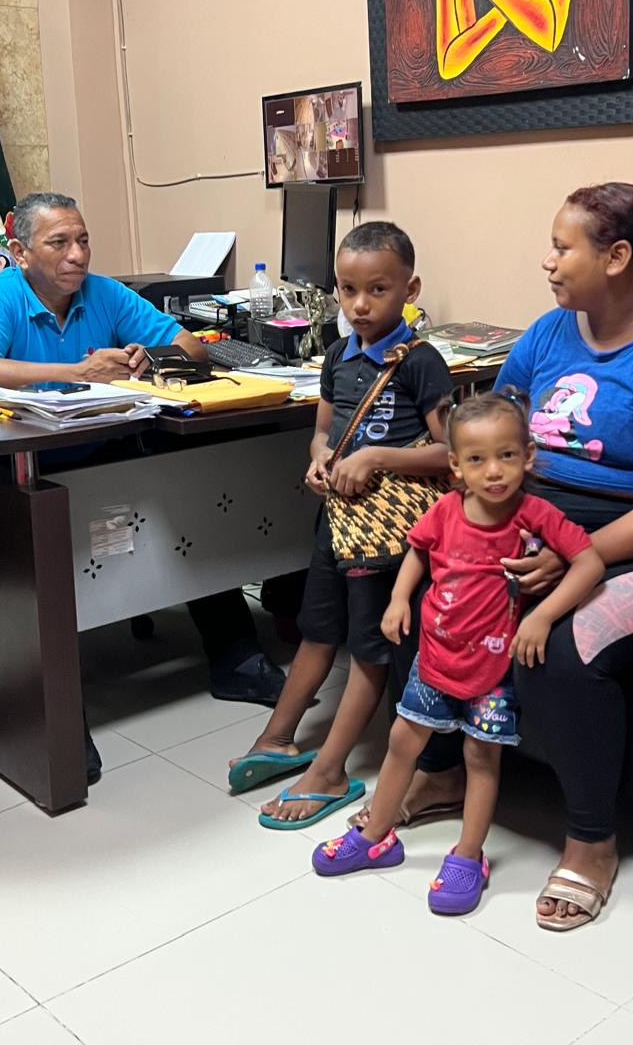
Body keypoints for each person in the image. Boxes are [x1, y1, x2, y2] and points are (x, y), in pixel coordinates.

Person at [385, 182, 633, 930]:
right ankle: (442, 773)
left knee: (564, 645)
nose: (547, 261)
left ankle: (590, 842)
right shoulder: (551, 332)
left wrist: (578, 556)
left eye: (562, 247)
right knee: (429, 601)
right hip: (547, 526)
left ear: (616, 257)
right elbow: (493, 435)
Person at [0, 192, 286, 779]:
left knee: (186, 497)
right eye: (59, 243)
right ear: (20, 252)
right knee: (42, 543)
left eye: (82, 240)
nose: (77, 255)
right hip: (16, 465)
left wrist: (150, 356)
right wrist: (74, 371)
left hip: (101, 451)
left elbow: (188, 345)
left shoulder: (103, 292)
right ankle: (55, 711)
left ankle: (234, 654)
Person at [311, 390, 603, 914]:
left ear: (527, 456)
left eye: (506, 455)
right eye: (477, 459)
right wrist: (398, 599)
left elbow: (589, 563)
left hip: (492, 671)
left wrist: (542, 616)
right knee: (402, 742)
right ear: (455, 466)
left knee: (480, 758)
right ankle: (376, 836)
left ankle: (469, 855)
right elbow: (418, 551)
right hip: (434, 658)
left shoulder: (534, 514)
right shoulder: (446, 509)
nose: (493, 471)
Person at [227, 221, 454, 829]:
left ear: (410, 289)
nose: (360, 305)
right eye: (348, 290)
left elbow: (450, 454)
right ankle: (278, 739)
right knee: (317, 630)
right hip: (338, 521)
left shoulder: (421, 363)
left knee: (369, 649)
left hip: (386, 534)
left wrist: (376, 457)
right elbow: (324, 431)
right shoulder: (336, 355)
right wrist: (320, 459)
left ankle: (329, 770)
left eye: (378, 290)